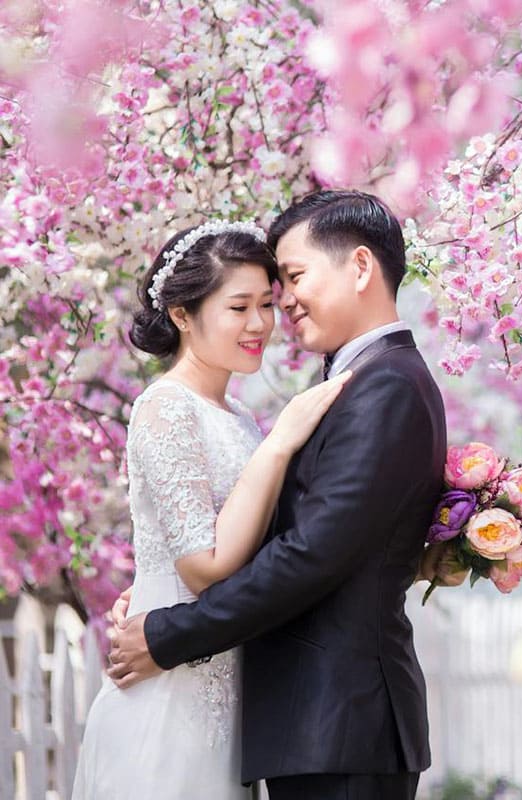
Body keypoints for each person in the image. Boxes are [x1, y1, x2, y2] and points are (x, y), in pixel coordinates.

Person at [107, 190, 448, 800]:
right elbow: (292, 531)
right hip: (312, 721)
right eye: (251, 301)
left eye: (288, 282)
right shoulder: (361, 381)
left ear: (360, 267)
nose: (278, 309)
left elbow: (312, 554)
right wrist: (163, 582)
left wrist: (170, 631)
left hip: (339, 718)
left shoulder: (384, 387)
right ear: (184, 314)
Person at [72, 219, 350, 800]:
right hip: (168, 690)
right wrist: (281, 442)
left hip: (229, 681)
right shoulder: (164, 408)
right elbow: (202, 565)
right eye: (238, 307)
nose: (259, 325)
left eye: (267, 305)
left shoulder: (240, 419)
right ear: (181, 315)